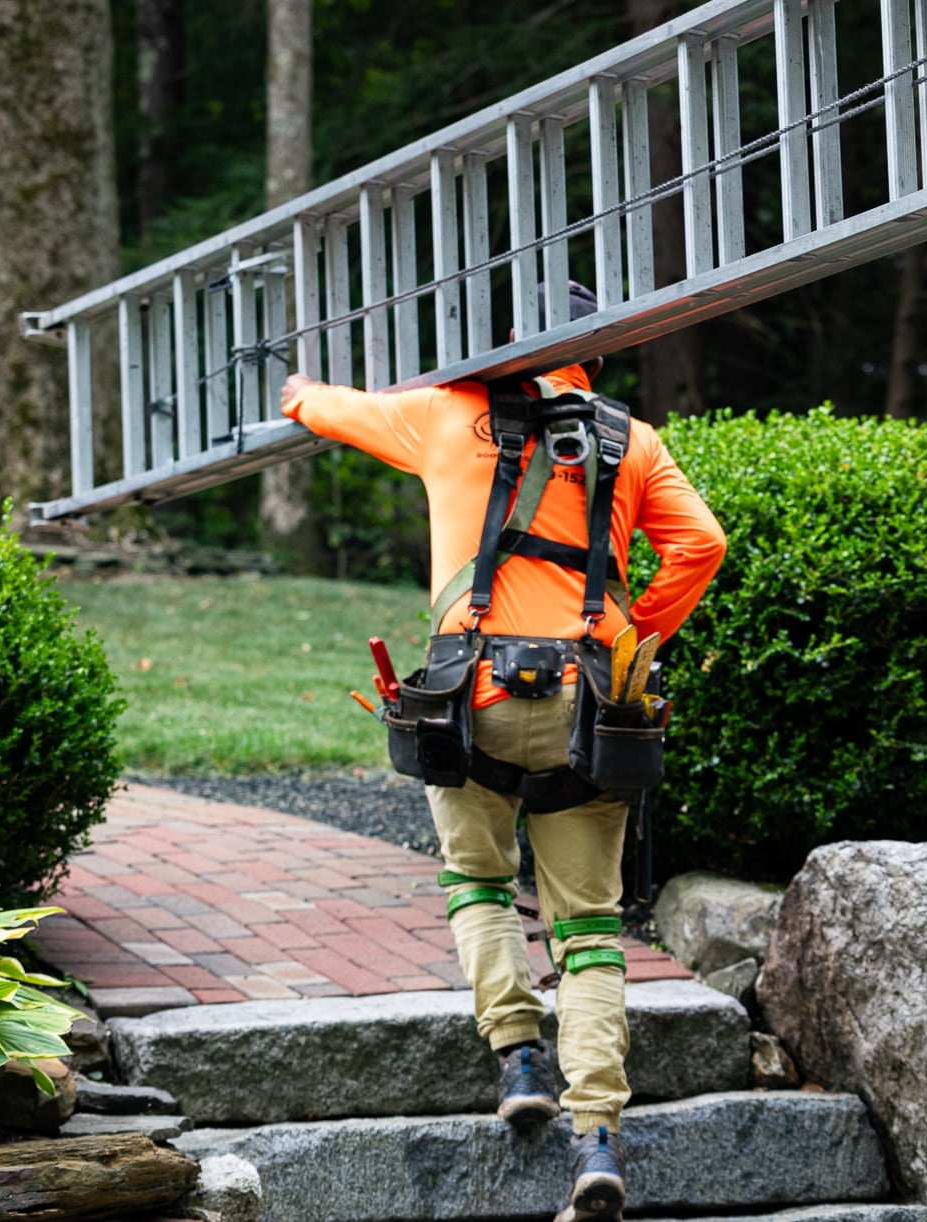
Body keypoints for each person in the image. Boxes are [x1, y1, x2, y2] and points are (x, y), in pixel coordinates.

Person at [280, 287, 726, 1221]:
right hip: (589, 706)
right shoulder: (631, 438)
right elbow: (701, 545)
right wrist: (629, 636)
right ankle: (596, 1138)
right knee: (592, 929)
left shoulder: (442, 414)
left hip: (471, 701)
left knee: (478, 879)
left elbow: (320, 407)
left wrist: (295, 386)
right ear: (591, 360)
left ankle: (519, 1055)